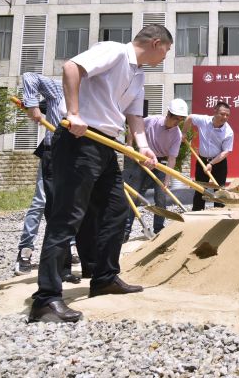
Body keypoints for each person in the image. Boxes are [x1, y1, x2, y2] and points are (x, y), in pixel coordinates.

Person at [29, 24, 172, 323]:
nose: (165, 57)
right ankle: (46, 299)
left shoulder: (138, 74)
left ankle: (104, 277)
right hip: (80, 139)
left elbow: (134, 115)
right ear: (156, 43)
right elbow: (71, 68)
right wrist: (74, 112)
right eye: (166, 50)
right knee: (68, 216)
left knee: (116, 210)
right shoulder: (115, 51)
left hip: (107, 144)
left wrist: (144, 147)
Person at [14, 72, 78, 284]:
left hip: (76, 157)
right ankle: (25, 251)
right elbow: (30, 78)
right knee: (41, 202)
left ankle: (66, 257)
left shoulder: (93, 95)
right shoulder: (58, 88)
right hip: (52, 153)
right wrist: (32, 106)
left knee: (70, 205)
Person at [123, 98, 188, 239]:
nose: (177, 122)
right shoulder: (151, 121)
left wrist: (167, 179)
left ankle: (158, 230)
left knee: (161, 197)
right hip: (143, 160)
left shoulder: (176, 135)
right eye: (176, 118)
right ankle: (125, 231)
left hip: (160, 164)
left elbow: (172, 158)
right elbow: (132, 127)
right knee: (134, 195)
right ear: (168, 114)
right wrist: (129, 144)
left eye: (180, 119)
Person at [183, 101, 234, 211]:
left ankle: (219, 214)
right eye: (222, 114)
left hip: (219, 163)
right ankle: (197, 213)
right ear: (215, 111)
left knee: (219, 190)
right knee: (200, 189)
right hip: (202, 160)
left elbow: (226, 152)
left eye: (227, 115)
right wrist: (184, 133)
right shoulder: (204, 120)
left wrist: (211, 163)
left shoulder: (228, 132)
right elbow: (189, 118)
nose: (225, 117)